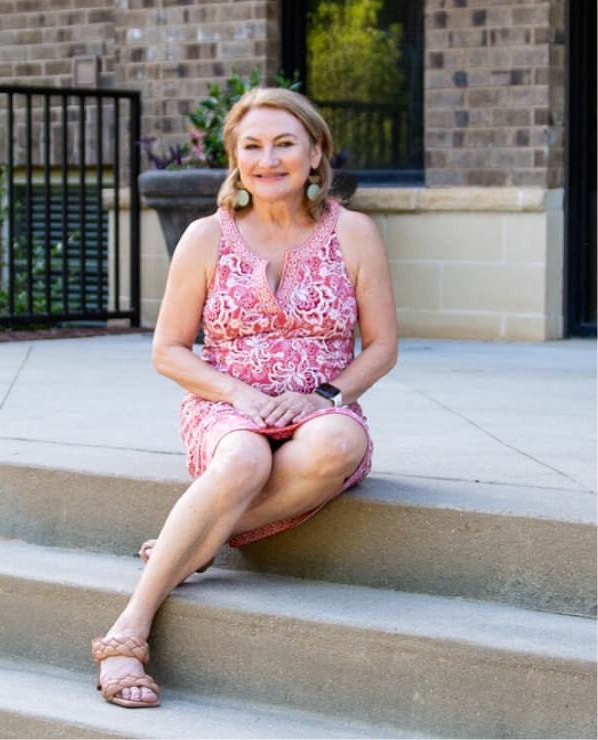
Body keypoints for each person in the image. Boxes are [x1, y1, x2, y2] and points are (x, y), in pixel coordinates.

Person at [91, 86, 398, 708]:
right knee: (244, 458)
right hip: (226, 403)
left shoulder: (355, 233)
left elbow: (382, 347)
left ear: (316, 152)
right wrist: (241, 395)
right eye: (252, 146)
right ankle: (129, 630)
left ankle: (200, 541)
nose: (269, 159)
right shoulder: (206, 236)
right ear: (235, 157)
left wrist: (324, 396)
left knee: (338, 443)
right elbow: (169, 350)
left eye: (285, 143)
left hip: (318, 406)